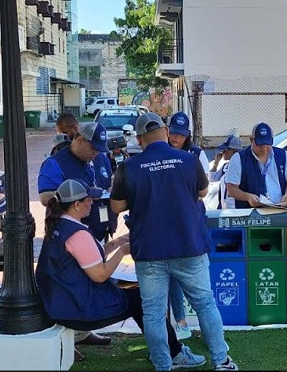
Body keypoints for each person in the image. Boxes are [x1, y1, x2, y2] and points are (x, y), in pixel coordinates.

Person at [110, 113, 238, 371]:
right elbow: (202, 192)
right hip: (188, 246)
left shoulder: (129, 167)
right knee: (204, 303)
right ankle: (221, 361)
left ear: (139, 138)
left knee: (154, 313)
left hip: (149, 251)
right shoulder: (188, 160)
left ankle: (163, 365)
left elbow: (116, 206)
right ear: (166, 132)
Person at [35, 179, 206, 369]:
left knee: (135, 295)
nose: (92, 202)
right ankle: (173, 352)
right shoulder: (78, 234)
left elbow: (89, 257)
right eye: (89, 200)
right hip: (78, 309)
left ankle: (162, 347)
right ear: (76, 205)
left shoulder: (58, 226)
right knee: (143, 300)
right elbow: (99, 274)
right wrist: (123, 251)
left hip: (61, 302)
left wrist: (117, 242)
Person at [38, 122, 114, 347]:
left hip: (98, 228)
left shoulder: (99, 159)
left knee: (92, 284)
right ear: (79, 139)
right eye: (93, 148)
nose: (96, 153)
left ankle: (83, 333)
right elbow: (45, 197)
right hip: (72, 233)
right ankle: (70, 337)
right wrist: (77, 193)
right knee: (76, 286)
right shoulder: (55, 162)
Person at [166, 111, 209, 339]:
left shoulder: (196, 154)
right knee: (171, 273)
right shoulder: (160, 154)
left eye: (180, 135)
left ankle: (206, 324)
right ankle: (180, 322)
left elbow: (203, 190)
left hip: (192, 220)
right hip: (167, 220)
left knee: (197, 272)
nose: (175, 138)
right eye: (173, 133)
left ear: (187, 136)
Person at [226, 122, 287, 208]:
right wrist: (248, 197)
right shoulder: (239, 158)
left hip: (280, 210)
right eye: (260, 144)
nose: (264, 148)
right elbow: (231, 189)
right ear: (251, 140)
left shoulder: (282, 155)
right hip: (251, 213)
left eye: (267, 144)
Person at [207, 135, 243, 210]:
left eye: (226, 149)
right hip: (224, 207)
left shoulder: (242, 166)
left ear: (235, 151)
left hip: (236, 208)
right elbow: (212, 179)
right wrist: (216, 163)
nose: (223, 152)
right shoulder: (226, 166)